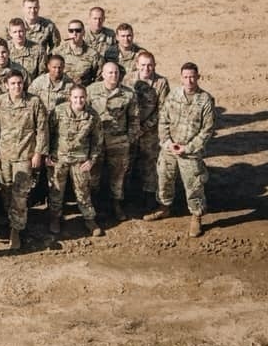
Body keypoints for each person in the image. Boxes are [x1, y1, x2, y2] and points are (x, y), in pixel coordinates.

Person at [144, 62, 215, 238]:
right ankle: (164, 207)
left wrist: (188, 148)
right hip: (170, 147)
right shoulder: (173, 95)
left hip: (190, 152)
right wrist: (167, 142)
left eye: (192, 77)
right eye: (185, 77)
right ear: (181, 78)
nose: (189, 80)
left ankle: (196, 216)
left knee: (193, 184)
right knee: (164, 177)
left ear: (198, 77)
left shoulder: (205, 100)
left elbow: (207, 130)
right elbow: (163, 120)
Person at [0, 70, 48, 249]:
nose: (17, 86)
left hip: (25, 156)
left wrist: (38, 153)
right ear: (6, 85)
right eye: (13, 83)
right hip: (5, 156)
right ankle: (10, 220)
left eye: (19, 83)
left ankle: (16, 230)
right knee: (6, 191)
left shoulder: (34, 102)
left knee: (20, 195)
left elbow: (42, 130)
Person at [47, 84, 104, 237]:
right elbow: (47, 133)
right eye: (75, 97)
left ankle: (89, 219)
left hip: (80, 160)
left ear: (86, 98)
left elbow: (97, 140)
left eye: (82, 97)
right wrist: (47, 154)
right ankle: (55, 218)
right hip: (59, 158)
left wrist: (92, 160)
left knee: (83, 190)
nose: (79, 100)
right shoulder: (58, 112)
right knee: (56, 190)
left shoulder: (92, 115)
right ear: (69, 98)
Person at [87, 62, 139, 221]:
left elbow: (134, 120)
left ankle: (116, 204)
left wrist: (129, 140)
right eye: (109, 73)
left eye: (116, 73)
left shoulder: (128, 94)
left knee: (118, 176)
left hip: (118, 140)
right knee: (93, 175)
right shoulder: (91, 90)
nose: (113, 76)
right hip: (95, 140)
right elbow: (84, 114)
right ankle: (93, 205)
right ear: (102, 74)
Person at [123, 50, 170, 207]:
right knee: (127, 161)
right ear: (136, 65)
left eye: (150, 65)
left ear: (155, 66)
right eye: (143, 65)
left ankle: (149, 195)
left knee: (150, 162)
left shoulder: (161, 83)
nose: (146, 69)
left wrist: (145, 126)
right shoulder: (128, 79)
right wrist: (132, 127)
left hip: (150, 131)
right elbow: (123, 104)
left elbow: (163, 109)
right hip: (130, 129)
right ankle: (125, 195)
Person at [53, 20, 102, 86]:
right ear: (68, 33)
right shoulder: (58, 52)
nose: (74, 33)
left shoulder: (93, 54)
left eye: (78, 30)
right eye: (71, 31)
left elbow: (98, 78)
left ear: (83, 32)